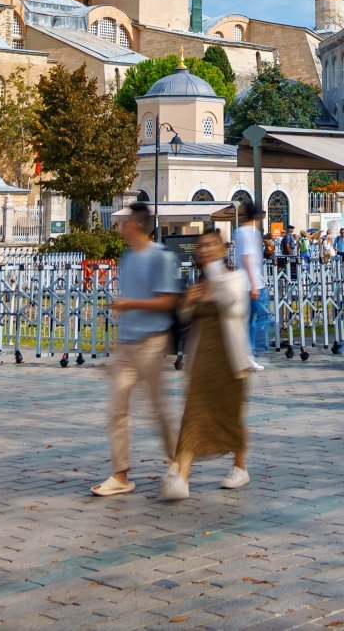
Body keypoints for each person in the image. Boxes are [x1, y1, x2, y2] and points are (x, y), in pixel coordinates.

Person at [92, 204, 179, 496]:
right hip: (128, 344)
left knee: (158, 409)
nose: (121, 227)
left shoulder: (160, 258)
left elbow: (167, 301)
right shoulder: (127, 257)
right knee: (117, 409)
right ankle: (121, 473)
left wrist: (131, 305)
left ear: (139, 227)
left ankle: (178, 463)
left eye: (126, 222)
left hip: (153, 342)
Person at [168, 229, 251, 499]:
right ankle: (182, 476)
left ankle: (239, 467)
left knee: (230, 415)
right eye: (201, 245)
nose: (204, 249)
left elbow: (233, 305)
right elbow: (185, 318)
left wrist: (212, 279)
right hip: (203, 357)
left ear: (222, 249)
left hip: (230, 358)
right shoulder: (199, 284)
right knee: (193, 414)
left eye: (210, 245)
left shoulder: (235, 278)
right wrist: (188, 303)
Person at [232, 200, 270, 372]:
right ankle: (252, 352)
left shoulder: (239, 231)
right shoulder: (250, 233)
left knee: (249, 321)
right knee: (261, 318)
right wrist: (254, 284)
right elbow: (247, 257)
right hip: (252, 282)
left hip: (247, 281)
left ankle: (248, 354)